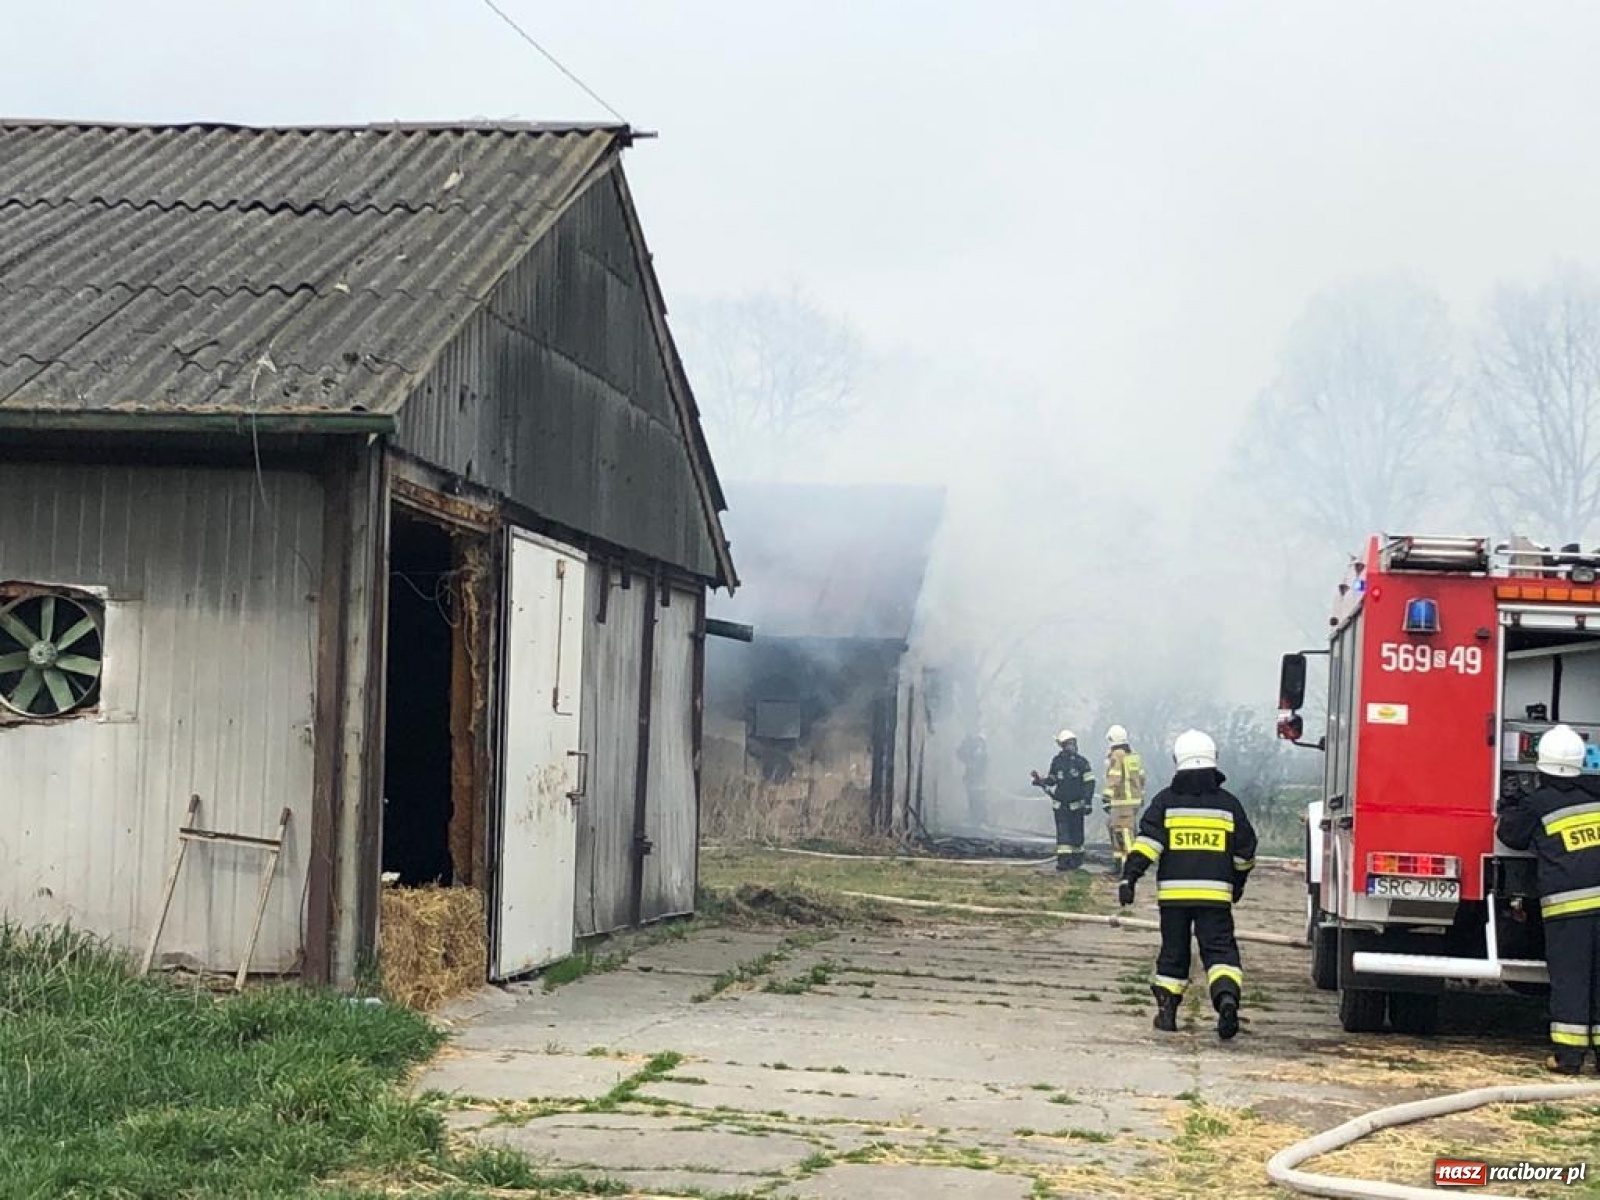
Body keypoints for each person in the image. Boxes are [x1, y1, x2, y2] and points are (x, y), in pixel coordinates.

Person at [1118, 729, 1257, 1040]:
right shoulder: (1229, 805)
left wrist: (1130, 876)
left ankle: (1167, 1013)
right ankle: (1226, 1001)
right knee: (1220, 953)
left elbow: (1147, 844)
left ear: (1177, 761)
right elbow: (1245, 851)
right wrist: (1238, 882)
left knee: (1173, 953)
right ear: (1213, 759)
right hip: (1215, 898)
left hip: (1174, 899)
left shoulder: (1165, 802)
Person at [1496, 724, 1600, 1074]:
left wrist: (1510, 803)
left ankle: (1568, 1058)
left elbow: (1511, 835)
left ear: (1541, 765)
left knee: (1571, 980)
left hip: (1570, 909)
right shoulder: (1597, 796)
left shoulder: (1539, 803)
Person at [1032, 729, 1095, 871]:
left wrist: (1088, 802)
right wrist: (1041, 781)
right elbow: (1052, 779)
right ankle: (1064, 861)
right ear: (1062, 745)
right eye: (1069, 743)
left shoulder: (1081, 762)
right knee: (1063, 834)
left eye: (1074, 743)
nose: (1072, 746)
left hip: (1077, 805)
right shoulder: (1057, 762)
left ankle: (1077, 860)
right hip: (1060, 805)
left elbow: (1090, 783)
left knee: (1077, 833)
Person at [1102, 724, 1147, 874]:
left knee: (1125, 833)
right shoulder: (1133, 756)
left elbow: (1114, 777)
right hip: (1133, 802)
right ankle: (1118, 864)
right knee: (1115, 829)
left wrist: (1106, 795)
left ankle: (1129, 866)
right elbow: (1141, 778)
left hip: (1122, 802)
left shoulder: (1117, 755)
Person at [957, 732, 990, 826]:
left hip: (979, 783)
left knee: (979, 799)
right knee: (972, 798)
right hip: (973, 782)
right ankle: (975, 818)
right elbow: (961, 755)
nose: (978, 746)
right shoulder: (973, 753)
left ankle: (981, 819)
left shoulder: (983, 755)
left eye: (980, 744)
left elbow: (977, 767)